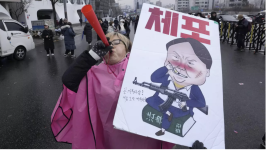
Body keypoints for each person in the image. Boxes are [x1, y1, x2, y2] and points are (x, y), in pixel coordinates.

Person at [51, 32, 204, 149]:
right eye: (106, 42)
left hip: (145, 139)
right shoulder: (93, 73)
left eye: (117, 42)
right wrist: (91, 56)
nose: (110, 45)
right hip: (110, 140)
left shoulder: (142, 68)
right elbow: (69, 80)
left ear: (127, 48)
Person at [145, 38, 211, 136]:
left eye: (190, 63)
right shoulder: (167, 78)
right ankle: (167, 115)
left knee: (171, 113)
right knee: (153, 103)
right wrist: (167, 67)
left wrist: (185, 102)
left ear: (207, 72)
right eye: (176, 57)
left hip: (179, 109)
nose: (180, 66)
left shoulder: (193, 89)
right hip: (160, 101)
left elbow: (201, 102)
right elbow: (154, 78)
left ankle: (163, 129)